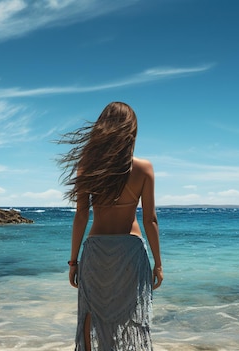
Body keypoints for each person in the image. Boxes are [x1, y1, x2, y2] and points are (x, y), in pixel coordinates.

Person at [58, 101, 163, 351]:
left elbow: (81, 215)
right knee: (130, 314)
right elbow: (150, 219)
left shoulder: (88, 166)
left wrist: (73, 261)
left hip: (96, 249)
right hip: (130, 249)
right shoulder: (144, 168)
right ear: (131, 131)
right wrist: (158, 264)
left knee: (90, 312)